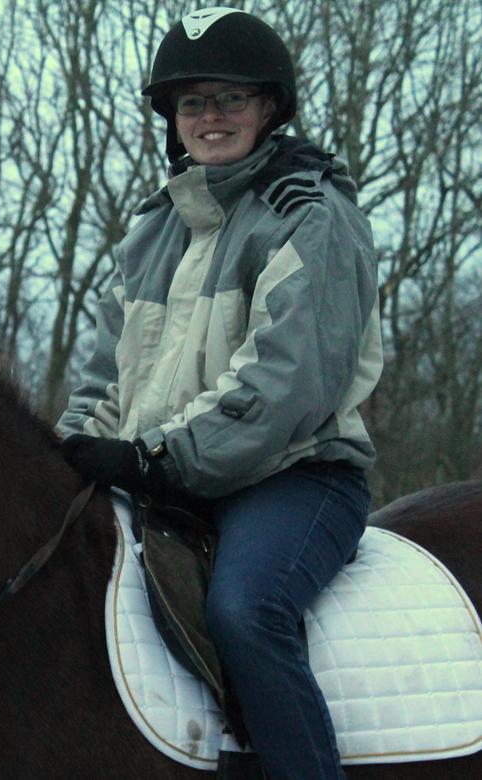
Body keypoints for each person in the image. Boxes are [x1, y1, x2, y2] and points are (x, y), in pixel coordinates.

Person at [56, 7, 382, 779]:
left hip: (293, 479)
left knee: (244, 614)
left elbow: (286, 386)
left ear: (269, 107)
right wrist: (63, 452)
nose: (211, 118)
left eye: (230, 99)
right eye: (194, 103)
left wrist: (154, 458)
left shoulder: (312, 217)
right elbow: (105, 377)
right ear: (173, 118)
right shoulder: (153, 231)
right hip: (163, 477)